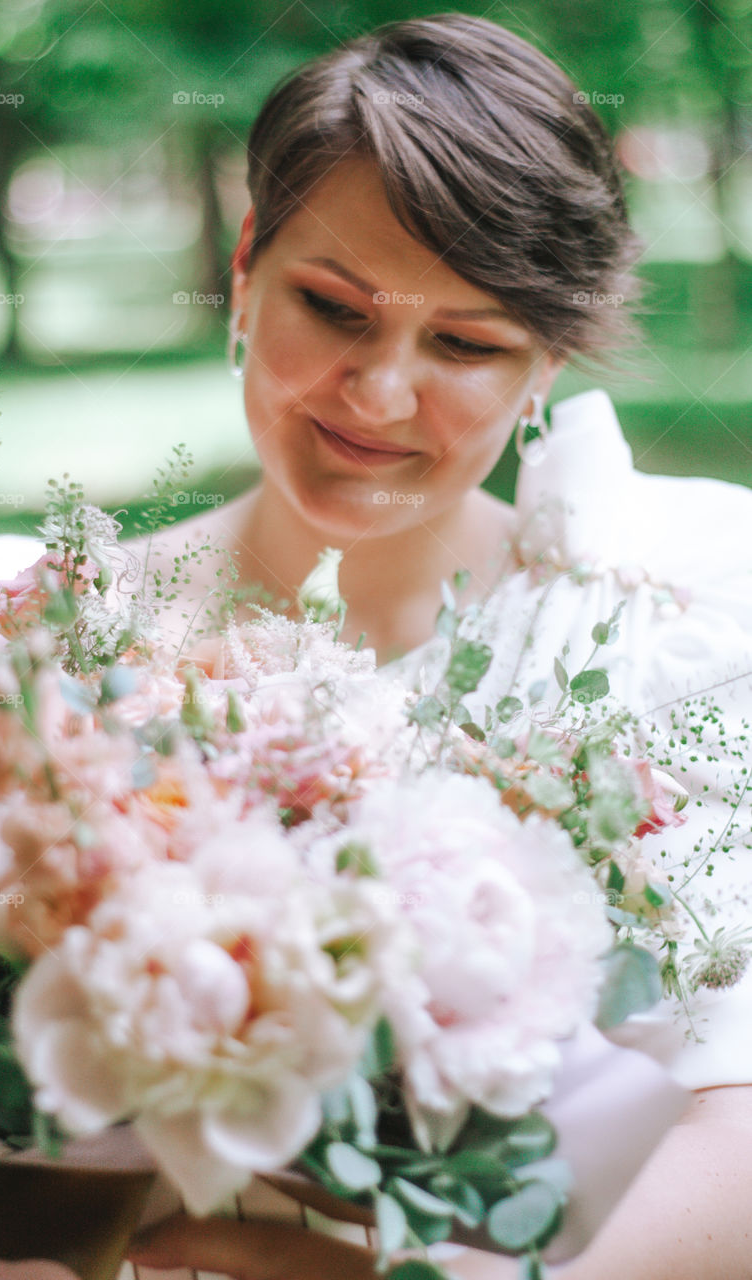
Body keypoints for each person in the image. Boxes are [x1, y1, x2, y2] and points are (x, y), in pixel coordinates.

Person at [119, 12, 752, 1280]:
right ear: (245, 266)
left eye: (464, 343)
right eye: (333, 307)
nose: (380, 393)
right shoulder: (34, 646)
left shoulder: (671, 629)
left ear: (545, 366)